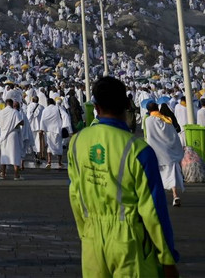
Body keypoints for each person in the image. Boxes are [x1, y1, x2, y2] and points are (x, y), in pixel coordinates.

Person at [67, 77, 179, 277]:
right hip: (129, 241)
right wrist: (167, 257)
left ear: (96, 107)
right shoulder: (138, 149)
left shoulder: (77, 143)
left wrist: (86, 232)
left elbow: (75, 195)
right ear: (128, 105)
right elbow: (153, 209)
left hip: (92, 240)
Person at [143, 102, 185, 208]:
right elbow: (173, 136)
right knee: (172, 174)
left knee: (156, 176)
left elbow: (150, 136)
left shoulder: (148, 121)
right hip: (168, 152)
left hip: (156, 151)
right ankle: (175, 195)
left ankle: (156, 198)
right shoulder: (166, 119)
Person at [0, 95, 25, 180]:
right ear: (11, 104)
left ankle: (3, 174)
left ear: (6, 104)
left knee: (4, 155)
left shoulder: (1, 112)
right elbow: (21, 123)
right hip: (12, 135)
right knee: (15, 154)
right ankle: (16, 175)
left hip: (3, 135)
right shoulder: (14, 112)